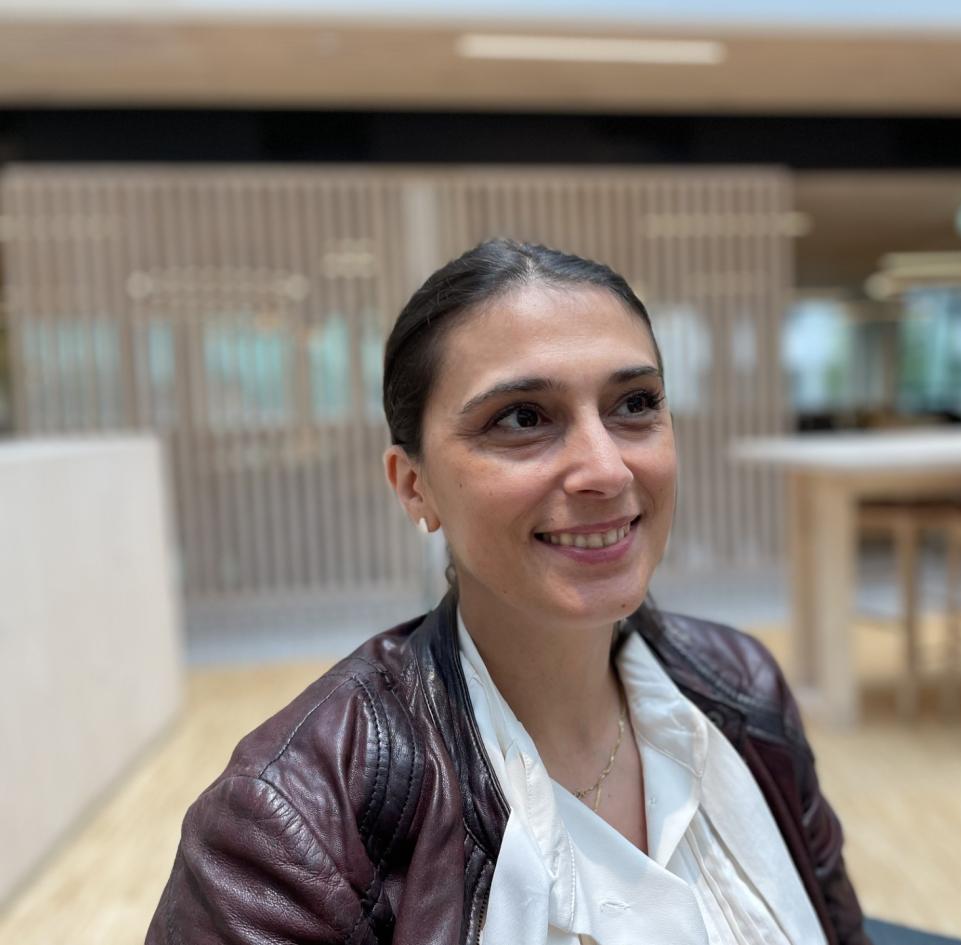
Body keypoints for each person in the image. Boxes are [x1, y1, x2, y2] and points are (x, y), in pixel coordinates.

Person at [146, 238, 870, 945]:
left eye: (635, 403)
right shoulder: (293, 823)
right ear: (413, 485)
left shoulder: (740, 691)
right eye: (523, 417)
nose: (607, 470)